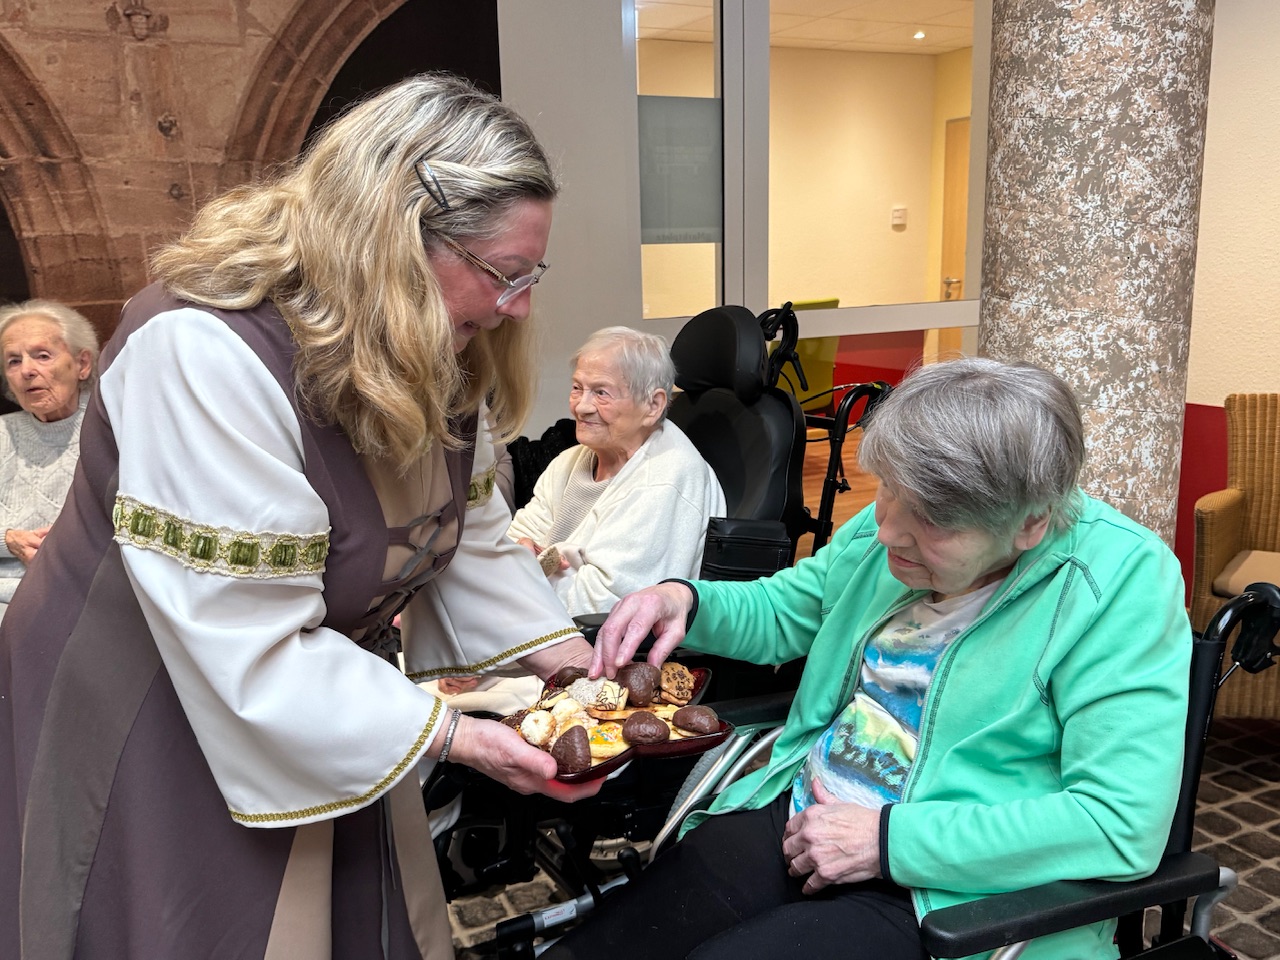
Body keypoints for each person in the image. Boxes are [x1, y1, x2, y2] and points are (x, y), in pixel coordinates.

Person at [0, 73, 605, 960]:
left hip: (325, 692)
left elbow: (459, 530)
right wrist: (458, 738)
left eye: (530, 276)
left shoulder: (437, 336)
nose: (518, 306)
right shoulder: (202, 347)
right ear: (392, 237)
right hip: (163, 698)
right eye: (504, 275)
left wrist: (571, 665)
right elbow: (243, 635)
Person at [546, 357, 1192, 960]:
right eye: (888, 493)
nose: (886, 532)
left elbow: (1119, 824)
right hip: (807, 811)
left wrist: (888, 842)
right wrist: (686, 600)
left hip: (949, 886)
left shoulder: (1117, 584)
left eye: (933, 521)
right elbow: (788, 609)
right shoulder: (890, 526)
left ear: (1032, 523)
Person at [508, 325, 726, 616]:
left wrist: (526, 573)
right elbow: (509, 548)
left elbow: (607, 604)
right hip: (536, 620)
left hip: (597, 638)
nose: (581, 407)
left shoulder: (665, 479)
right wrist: (523, 559)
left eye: (601, 393)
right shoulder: (568, 462)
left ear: (653, 405)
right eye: (577, 388)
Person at [0, 300, 99, 620]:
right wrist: (7, 539)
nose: (27, 370)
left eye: (42, 355)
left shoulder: (112, 430)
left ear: (82, 364)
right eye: (13, 361)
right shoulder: (2, 433)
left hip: (81, 597)